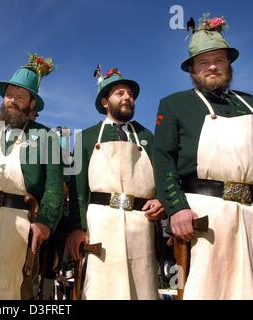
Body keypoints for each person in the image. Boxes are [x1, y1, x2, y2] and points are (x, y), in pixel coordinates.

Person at [153, 14, 253, 299]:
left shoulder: (250, 104)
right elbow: (163, 160)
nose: (212, 66)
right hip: (203, 216)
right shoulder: (175, 105)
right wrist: (177, 208)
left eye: (219, 60)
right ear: (192, 70)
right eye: (203, 62)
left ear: (229, 64)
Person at [0, 54, 64, 300]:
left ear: (31, 104)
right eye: (9, 95)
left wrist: (44, 223)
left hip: (20, 225)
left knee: (12, 292)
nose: (12, 101)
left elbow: (53, 188)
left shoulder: (47, 138)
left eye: (20, 97)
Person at [66, 67, 164, 299]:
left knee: (143, 287)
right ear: (104, 102)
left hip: (142, 225)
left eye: (129, 94)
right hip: (101, 224)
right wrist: (77, 228)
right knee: (102, 287)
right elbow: (76, 186)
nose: (127, 97)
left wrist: (161, 199)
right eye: (120, 93)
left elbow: (163, 173)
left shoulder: (147, 137)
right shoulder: (86, 138)